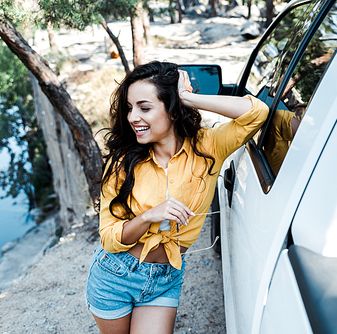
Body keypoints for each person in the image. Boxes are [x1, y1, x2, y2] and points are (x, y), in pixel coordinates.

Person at [85, 61, 269, 334]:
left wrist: (188, 98)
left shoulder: (209, 146)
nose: (133, 116)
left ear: (171, 110)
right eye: (129, 108)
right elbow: (109, 237)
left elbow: (257, 113)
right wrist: (148, 216)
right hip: (115, 275)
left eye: (144, 107)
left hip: (165, 278)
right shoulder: (123, 163)